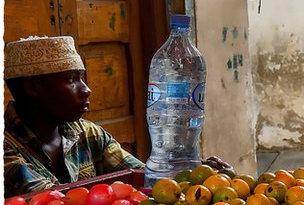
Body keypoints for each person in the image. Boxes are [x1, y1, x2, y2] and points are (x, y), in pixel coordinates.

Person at [4, 35, 229, 195]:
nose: (86, 89)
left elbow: (141, 176)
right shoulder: (7, 147)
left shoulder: (87, 134)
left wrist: (195, 173)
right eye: (72, 80)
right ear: (33, 87)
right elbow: (52, 204)